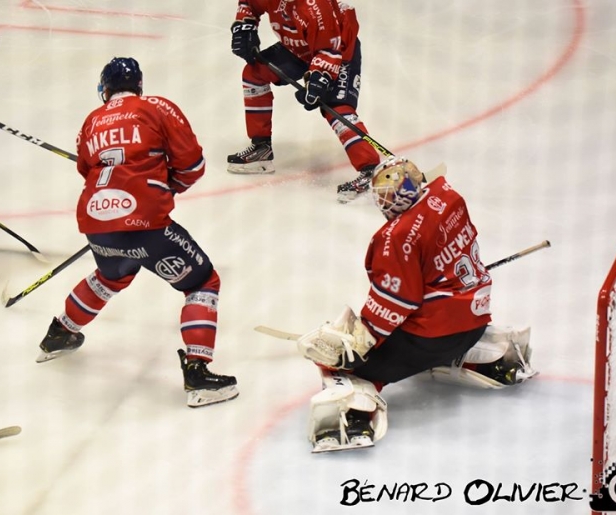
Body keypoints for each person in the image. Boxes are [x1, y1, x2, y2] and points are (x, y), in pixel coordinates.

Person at [294, 156, 538, 452]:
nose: (384, 205)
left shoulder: (396, 237)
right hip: (475, 323)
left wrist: (359, 342)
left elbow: (396, 301)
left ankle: (352, 414)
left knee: (338, 362)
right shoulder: (448, 197)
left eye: (386, 198)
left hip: (431, 340)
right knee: (436, 316)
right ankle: (486, 353)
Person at [36, 57, 239, 408]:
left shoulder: (92, 120)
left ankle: (60, 333)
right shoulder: (155, 106)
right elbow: (193, 166)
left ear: (105, 88)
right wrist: (161, 189)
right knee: (202, 282)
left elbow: (86, 170)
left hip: (95, 220)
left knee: (110, 276)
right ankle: (198, 374)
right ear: (139, 85)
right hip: (145, 219)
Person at [227, 0, 381, 203]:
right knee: (254, 74)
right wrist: (245, 25)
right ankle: (261, 147)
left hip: (338, 50)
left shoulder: (316, 6)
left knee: (336, 107)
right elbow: (249, 4)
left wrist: (319, 79)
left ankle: (371, 171)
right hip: (298, 47)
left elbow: (329, 50)